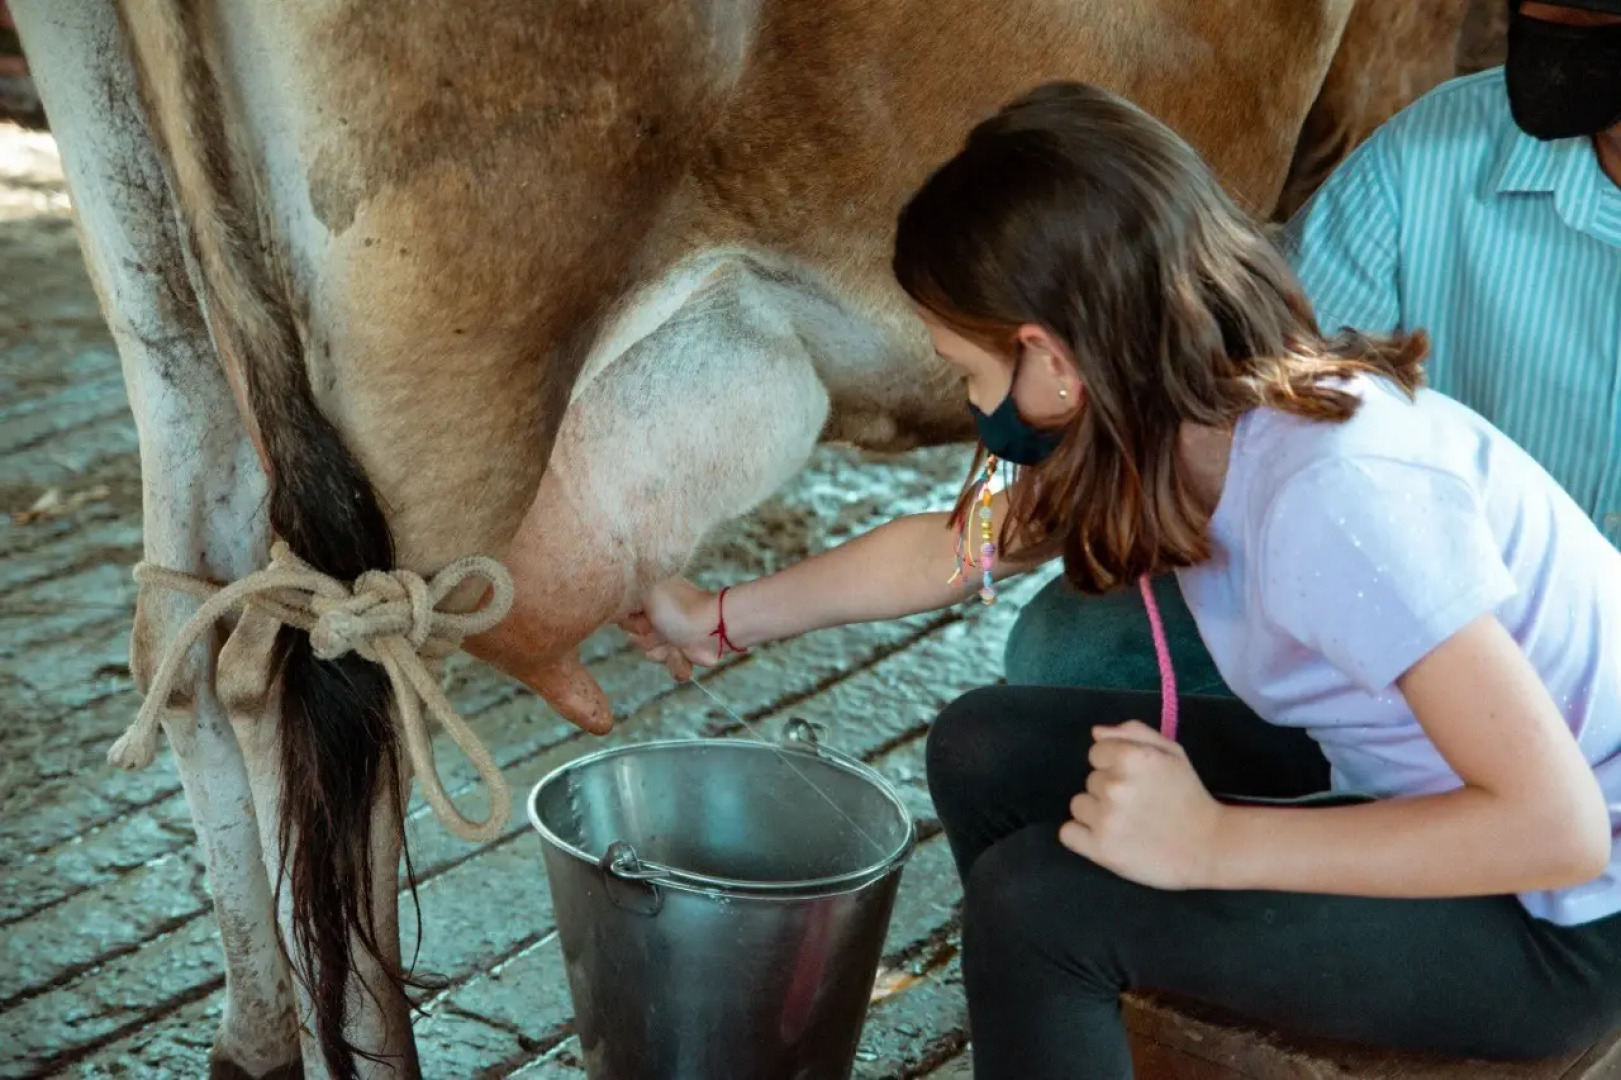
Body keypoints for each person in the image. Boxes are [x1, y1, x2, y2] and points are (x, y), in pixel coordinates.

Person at [621, 81, 1621, 1078]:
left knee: (1038, 907)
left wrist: (1211, 846)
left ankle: (1068, 985)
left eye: (967, 371)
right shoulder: (1183, 422)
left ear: (1051, 362)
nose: (976, 406)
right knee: (983, 749)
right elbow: (956, 545)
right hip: (1404, 779)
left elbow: (1557, 829)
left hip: (1561, 923)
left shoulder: (1338, 502)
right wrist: (715, 618)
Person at [1003, 0, 1621, 693]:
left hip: (1509, 654)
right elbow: (1259, 390)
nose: (1551, 25)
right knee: (1072, 654)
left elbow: (1540, 804)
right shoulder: (1433, 151)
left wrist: (1211, 814)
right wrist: (1043, 508)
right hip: (1397, 594)